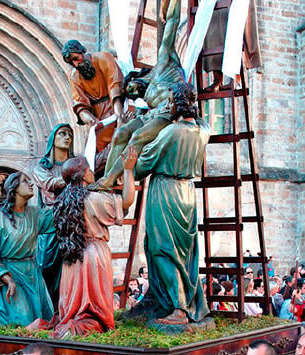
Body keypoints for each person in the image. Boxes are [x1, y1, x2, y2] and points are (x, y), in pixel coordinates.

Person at [126, 81, 210, 324]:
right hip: (187, 192)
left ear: (176, 103)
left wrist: (131, 164)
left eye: (170, 101)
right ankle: (181, 301)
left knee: (163, 249)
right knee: (185, 252)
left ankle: (178, 309)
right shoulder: (203, 130)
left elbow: (142, 166)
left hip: (165, 192)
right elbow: (200, 120)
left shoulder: (170, 132)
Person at [92, 0, 186, 191]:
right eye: (130, 92)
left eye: (131, 87)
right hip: (152, 115)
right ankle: (109, 182)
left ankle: (109, 179)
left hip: (168, 114)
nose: (132, 92)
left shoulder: (163, 63)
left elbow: (172, 23)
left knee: (137, 137)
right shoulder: (148, 97)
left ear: (137, 76)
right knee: (120, 134)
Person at [38, 153, 136, 337]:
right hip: (94, 255)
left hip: (71, 257)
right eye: (89, 169)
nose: (92, 173)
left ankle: (73, 323)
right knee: (95, 307)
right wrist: (129, 169)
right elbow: (127, 201)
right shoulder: (93, 198)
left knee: (74, 305)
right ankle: (81, 327)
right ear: (83, 175)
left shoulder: (61, 202)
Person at [0, 172, 55, 326]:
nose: (31, 184)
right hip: (10, 275)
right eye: (25, 181)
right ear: (14, 188)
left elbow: (59, 218)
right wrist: (7, 279)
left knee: (45, 320)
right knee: (23, 321)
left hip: (32, 274)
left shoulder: (34, 214)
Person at [61, 39, 125, 174]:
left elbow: (115, 86)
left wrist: (119, 116)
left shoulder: (103, 58)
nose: (75, 64)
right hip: (99, 116)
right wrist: (89, 118)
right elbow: (80, 104)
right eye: (71, 62)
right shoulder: (75, 76)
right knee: (94, 151)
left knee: (117, 140)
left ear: (82, 52)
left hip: (115, 106)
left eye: (76, 58)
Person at [32, 123, 75, 307]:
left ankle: (66, 309)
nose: (67, 138)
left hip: (73, 222)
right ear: (53, 139)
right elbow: (50, 183)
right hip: (51, 223)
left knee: (71, 269)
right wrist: (77, 175)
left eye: (70, 135)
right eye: (62, 134)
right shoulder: (41, 168)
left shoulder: (75, 163)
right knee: (47, 268)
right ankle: (49, 309)